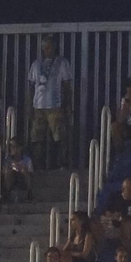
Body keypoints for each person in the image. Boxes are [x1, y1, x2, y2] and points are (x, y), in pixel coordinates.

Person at [27, 34, 73, 170]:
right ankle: (38, 165)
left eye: (50, 47)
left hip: (55, 105)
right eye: (46, 47)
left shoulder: (62, 62)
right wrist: (29, 106)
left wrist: (67, 105)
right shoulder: (36, 64)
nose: (48, 50)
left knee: (59, 136)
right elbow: (31, 87)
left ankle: (61, 164)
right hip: (38, 106)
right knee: (37, 137)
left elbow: (66, 85)